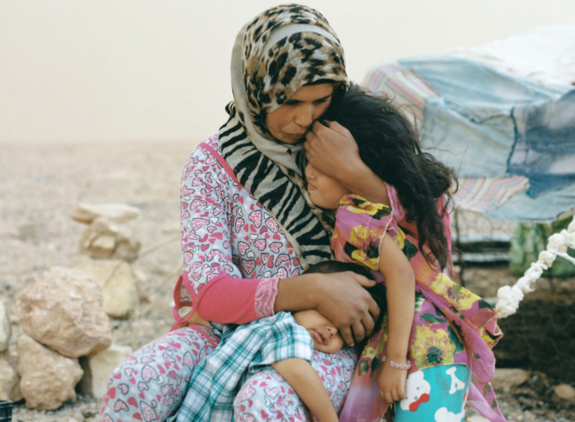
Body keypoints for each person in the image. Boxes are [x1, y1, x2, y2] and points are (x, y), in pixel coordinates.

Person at [100, 5, 400, 422]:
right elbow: (212, 292)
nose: (304, 118)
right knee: (136, 381)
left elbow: (417, 239)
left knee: (265, 398)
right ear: (254, 88)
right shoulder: (210, 165)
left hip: (322, 337)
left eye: (320, 100)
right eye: (289, 101)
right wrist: (313, 288)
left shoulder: (347, 143)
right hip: (221, 332)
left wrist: (355, 171)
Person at [304, 85, 508, 421]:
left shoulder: (351, 216)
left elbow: (401, 274)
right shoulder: (385, 211)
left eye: (323, 166)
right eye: (308, 163)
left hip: (422, 355)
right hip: (436, 352)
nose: (309, 173)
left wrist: (396, 362)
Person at [172, 262, 386, 422]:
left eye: (342, 333)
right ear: (307, 299)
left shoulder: (263, 321)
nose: (332, 330)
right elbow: (297, 371)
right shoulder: (286, 325)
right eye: (329, 316)